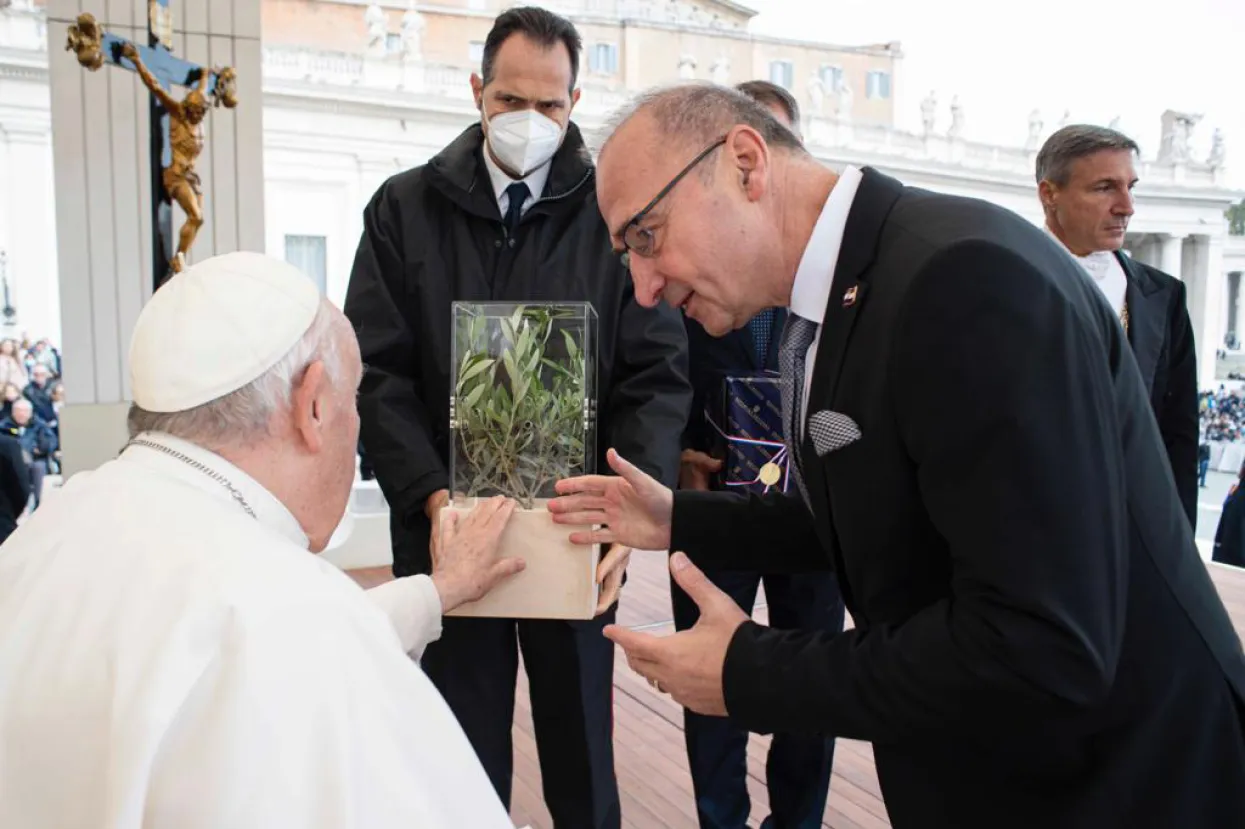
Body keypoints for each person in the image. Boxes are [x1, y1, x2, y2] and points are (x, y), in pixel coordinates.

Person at [549, 84, 1245, 827]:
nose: (644, 288)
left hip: (1113, 787)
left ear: (745, 164)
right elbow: (878, 506)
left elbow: (1040, 646)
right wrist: (677, 518)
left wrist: (747, 670)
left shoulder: (966, 280)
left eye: (646, 236)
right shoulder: (868, 282)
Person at [0, 251, 529, 828]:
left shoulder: (45, 533)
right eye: (354, 400)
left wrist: (440, 589)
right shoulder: (294, 615)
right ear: (314, 405)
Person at [343, 8, 690, 827]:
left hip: (574, 526)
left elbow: (655, 373)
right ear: (477, 90)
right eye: (509, 100)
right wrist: (431, 497)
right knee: (456, 744)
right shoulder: (403, 209)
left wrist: (625, 502)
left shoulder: (613, 213)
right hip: (447, 529)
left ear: (574, 103)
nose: (527, 121)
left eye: (548, 106)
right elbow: (375, 370)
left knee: (581, 745)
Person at [676, 78, 843, 829]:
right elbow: (650, 366)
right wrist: (678, 450)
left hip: (814, 511)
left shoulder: (839, 269)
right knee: (707, 675)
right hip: (713, 499)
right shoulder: (679, 255)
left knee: (810, 684)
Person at [1037, 124, 1199, 528]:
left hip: (1132, 528)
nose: (1127, 207)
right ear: (1049, 194)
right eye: (1105, 188)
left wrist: (1175, 543)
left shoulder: (1165, 297)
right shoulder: (1003, 283)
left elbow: (1178, 437)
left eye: (1131, 187)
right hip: (1035, 529)